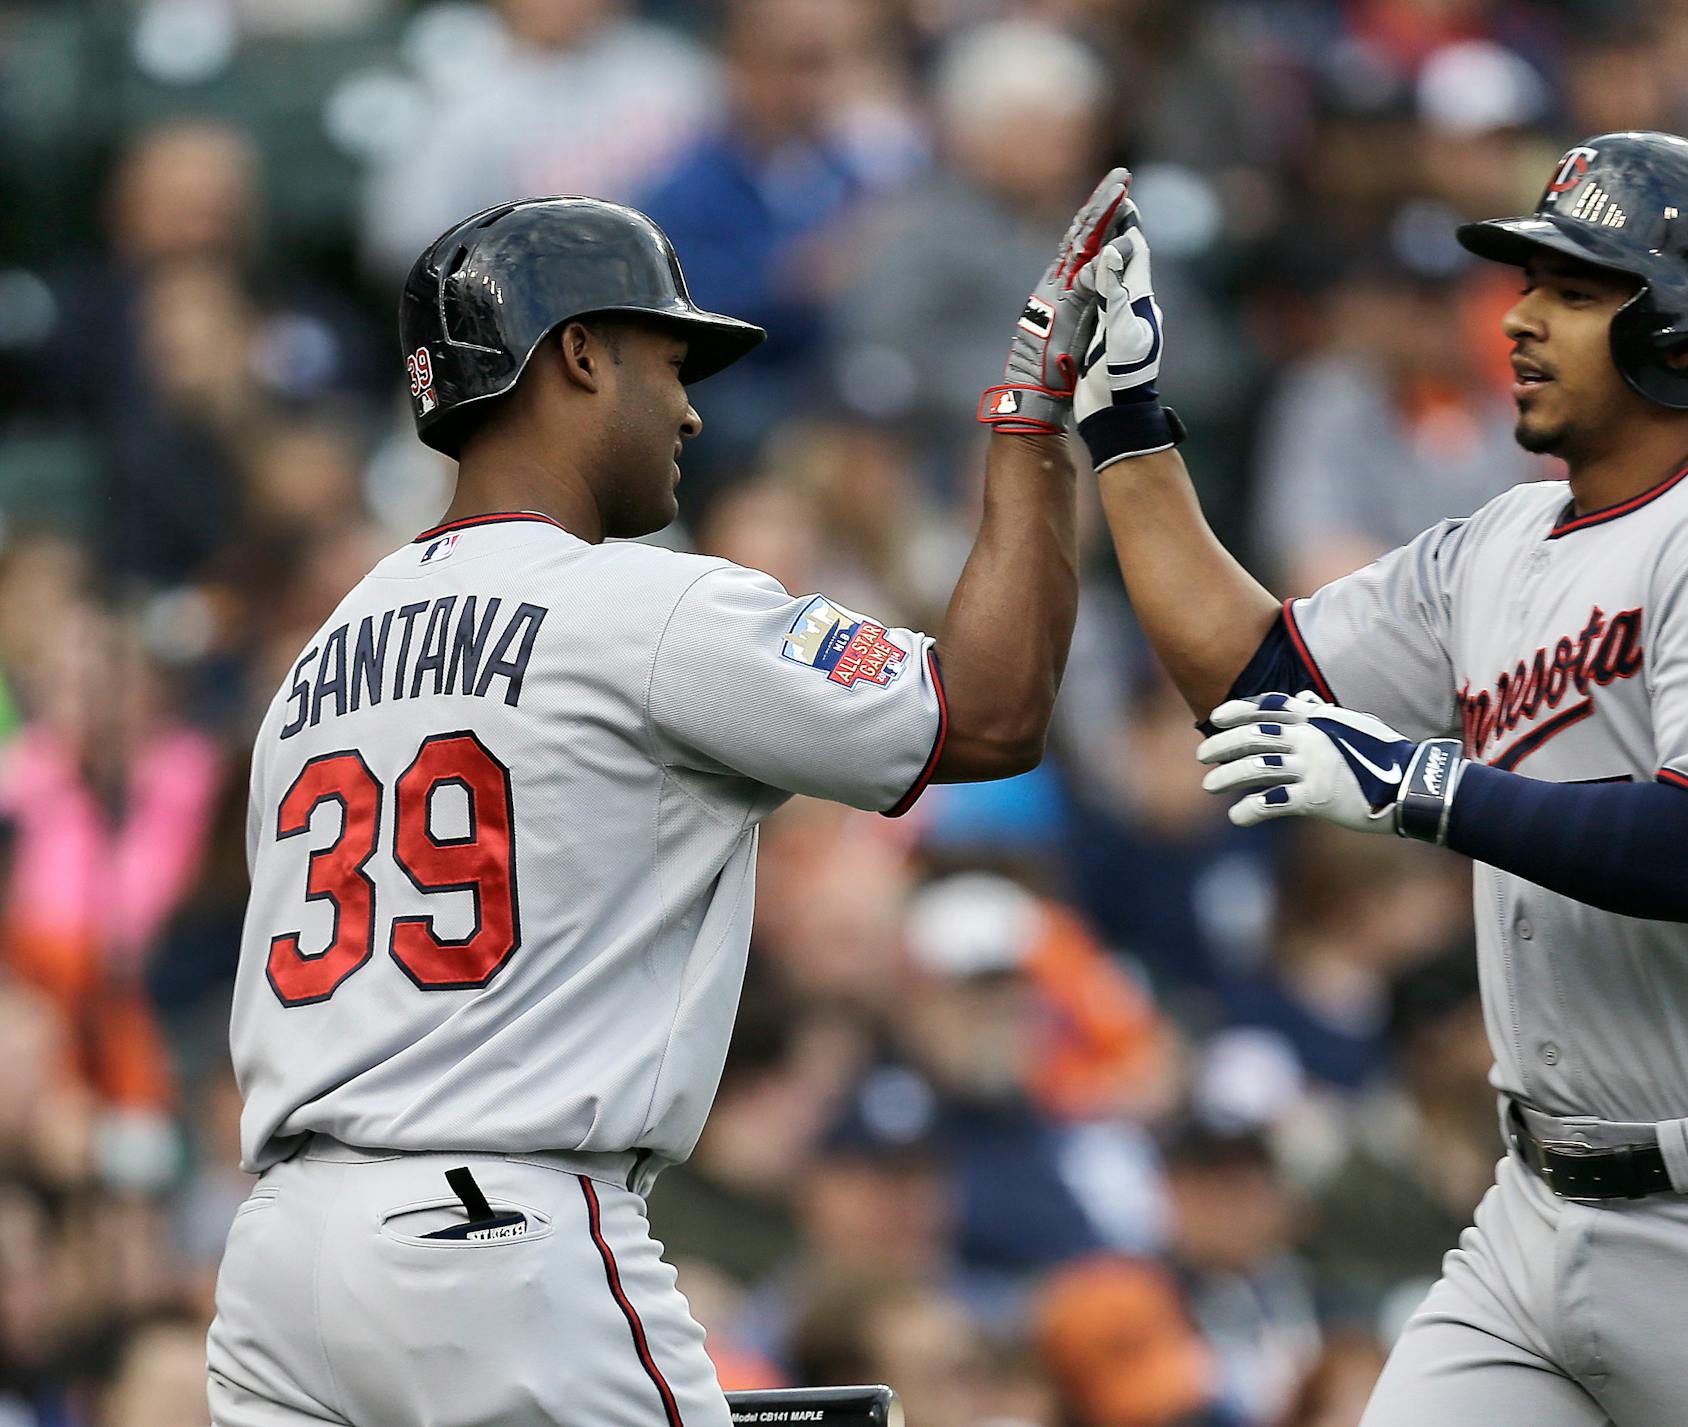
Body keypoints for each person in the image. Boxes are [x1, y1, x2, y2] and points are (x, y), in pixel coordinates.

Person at [206, 173, 1127, 1426]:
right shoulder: (647, 603)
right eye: (669, 360)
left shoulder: (325, 654)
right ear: (576, 355)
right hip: (500, 1233)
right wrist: (1031, 422)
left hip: (280, 1264)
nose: (690, 411)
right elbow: (991, 710)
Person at [1079, 134, 1688, 1422]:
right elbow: (1260, 680)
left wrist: (1423, 787)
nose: (1522, 318)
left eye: (1575, 289)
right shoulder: (1502, 538)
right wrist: (1127, 427)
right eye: (1529, 282)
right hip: (1539, 1212)